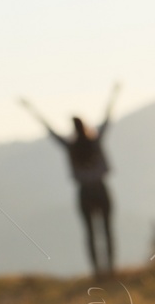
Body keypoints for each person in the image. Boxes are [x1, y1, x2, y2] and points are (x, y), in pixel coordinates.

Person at [21, 84, 120, 278]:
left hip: (84, 191)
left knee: (90, 232)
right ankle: (110, 269)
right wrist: (114, 95)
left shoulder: (70, 146)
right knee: (107, 230)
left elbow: (50, 130)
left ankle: (98, 271)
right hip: (101, 188)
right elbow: (107, 118)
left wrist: (31, 109)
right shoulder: (95, 141)